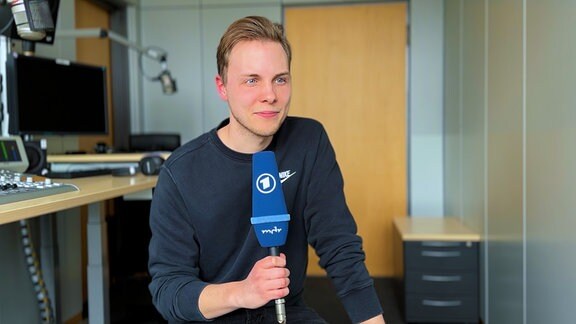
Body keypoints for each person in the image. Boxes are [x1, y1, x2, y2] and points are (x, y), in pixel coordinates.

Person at [148, 15, 386, 324]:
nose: (270, 95)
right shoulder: (180, 173)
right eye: (252, 80)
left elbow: (339, 245)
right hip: (215, 316)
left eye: (280, 79)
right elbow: (168, 290)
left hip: (289, 314)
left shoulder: (308, 141)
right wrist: (243, 292)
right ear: (222, 87)